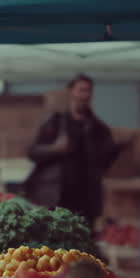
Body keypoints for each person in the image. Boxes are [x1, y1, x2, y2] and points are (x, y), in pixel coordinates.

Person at [24, 74, 121, 226]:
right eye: (81, 90)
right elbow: (32, 152)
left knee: (83, 244)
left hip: (86, 200)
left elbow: (106, 162)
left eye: (88, 91)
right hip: (56, 197)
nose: (85, 95)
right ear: (71, 92)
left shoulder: (98, 128)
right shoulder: (55, 122)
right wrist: (55, 148)